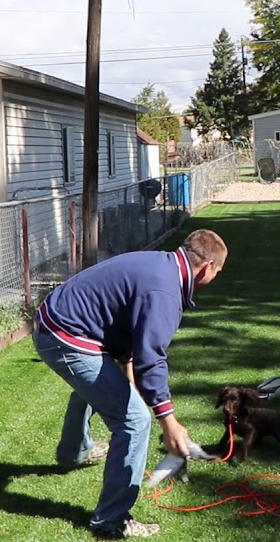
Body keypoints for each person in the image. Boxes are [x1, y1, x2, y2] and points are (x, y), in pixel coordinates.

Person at [33, 228, 228, 539]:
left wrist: (128, 370)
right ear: (207, 267)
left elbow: (127, 322)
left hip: (57, 323)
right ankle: (110, 521)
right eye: (218, 271)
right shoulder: (164, 291)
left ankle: (74, 452)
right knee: (135, 421)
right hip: (65, 337)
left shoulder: (162, 264)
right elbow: (152, 360)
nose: (215, 277)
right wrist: (169, 421)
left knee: (97, 387)